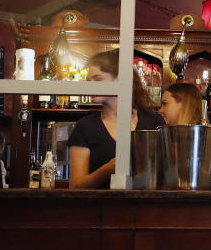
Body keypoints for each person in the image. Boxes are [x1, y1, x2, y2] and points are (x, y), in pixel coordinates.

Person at [68, 49, 164, 188]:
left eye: (98, 79)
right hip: (101, 208)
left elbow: (166, 175)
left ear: (119, 79)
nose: (90, 85)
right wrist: (108, 169)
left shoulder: (154, 121)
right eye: (89, 81)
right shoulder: (85, 126)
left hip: (147, 208)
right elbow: (76, 186)